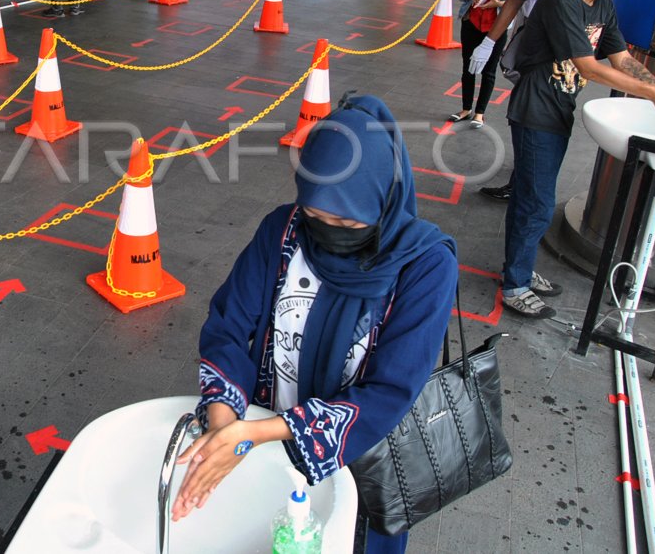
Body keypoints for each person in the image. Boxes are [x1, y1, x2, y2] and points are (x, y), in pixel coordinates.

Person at [173, 96, 457, 554]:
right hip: (261, 441)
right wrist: (225, 425)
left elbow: (391, 391)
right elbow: (229, 324)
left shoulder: (424, 264)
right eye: (315, 216)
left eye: (345, 220)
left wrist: (255, 435)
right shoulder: (282, 230)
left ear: (382, 197)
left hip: (362, 464)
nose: (328, 231)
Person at [492, 0, 655, 318]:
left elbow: (621, 59)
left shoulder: (602, 6)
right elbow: (589, 68)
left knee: (531, 197)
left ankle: (519, 267)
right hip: (535, 110)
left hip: (559, 109)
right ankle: (516, 283)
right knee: (537, 202)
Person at [470, 0, 591, 202]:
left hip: (539, 46)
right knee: (556, 114)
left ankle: (525, 186)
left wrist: (489, 42)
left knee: (527, 116)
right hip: (574, 50)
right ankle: (532, 180)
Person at [451, 0, 520, 128]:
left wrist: (498, 3)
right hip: (472, 21)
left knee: (489, 70)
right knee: (468, 66)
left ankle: (480, 113)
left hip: (496, 26)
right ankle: (466, 108)